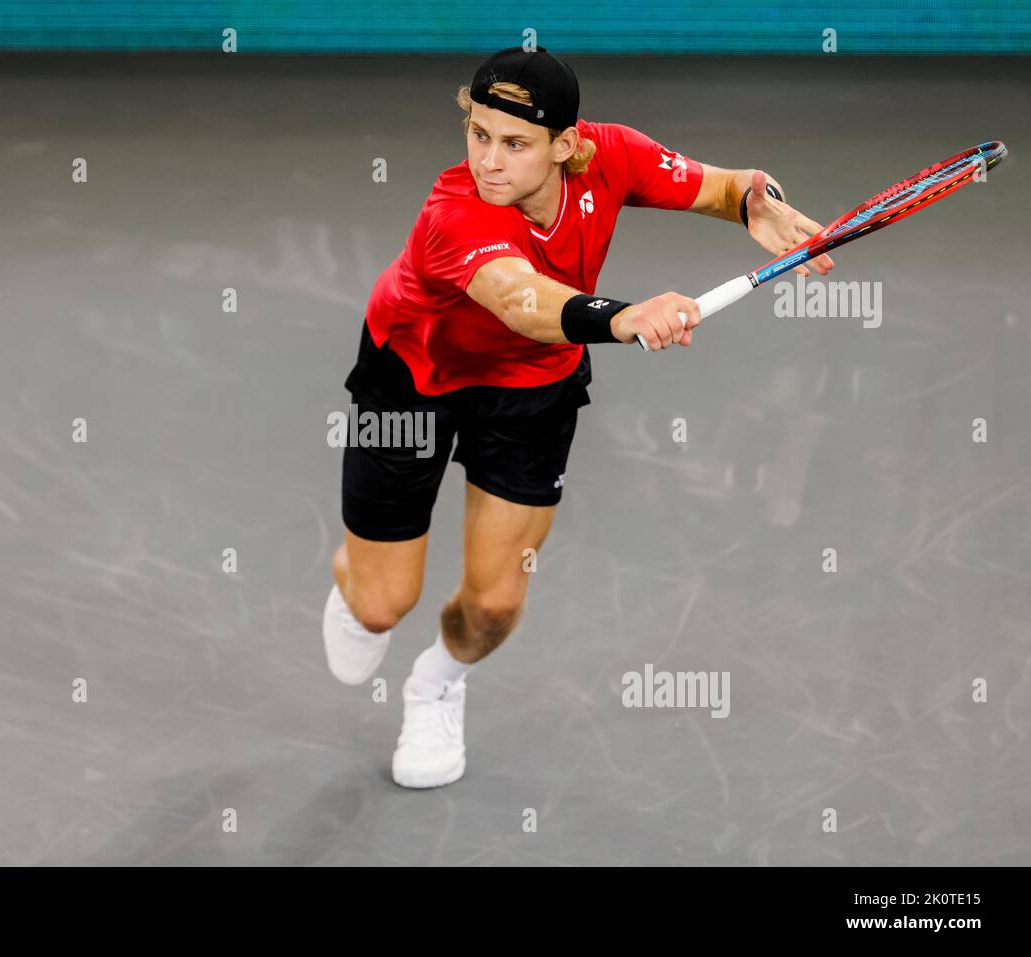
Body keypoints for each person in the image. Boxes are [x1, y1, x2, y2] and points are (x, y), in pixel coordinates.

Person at [323, 46, 834, 789]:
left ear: (565, 144)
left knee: (495, 605)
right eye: (478, 134)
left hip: (533, 387)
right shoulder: (453, 210)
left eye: (515, 143)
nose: (488, 161)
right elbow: (520, 299)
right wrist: (622, 317)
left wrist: (756, 198)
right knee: (380, 606)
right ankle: (356, 582)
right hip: (410, 378)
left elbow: (727, 186)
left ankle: (435, 686)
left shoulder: (614, 155)